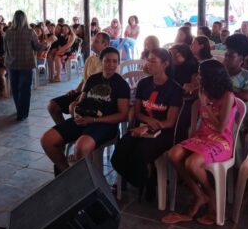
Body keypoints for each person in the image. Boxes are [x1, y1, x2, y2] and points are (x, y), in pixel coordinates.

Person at [163, 59, 238, 225]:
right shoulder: (205, 89)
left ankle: (211, 196)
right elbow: (187, 90)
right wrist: (189, 88)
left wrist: (206, 105)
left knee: (192, 163)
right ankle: (199, 195)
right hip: (202, 135)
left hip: (221, 140)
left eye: (201, 74)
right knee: (173, 154)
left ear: (211, 77)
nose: (198, 77)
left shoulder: (228, 96)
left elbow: (220, 128)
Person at [41, 47, 130, 175]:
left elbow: (123, 115)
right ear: (101, 61)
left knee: (81, 147)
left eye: (115, 61)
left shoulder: (121, 84)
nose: (111, 65)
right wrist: (75, 109)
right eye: (107, 61)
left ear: (118, 63)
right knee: (47, 140)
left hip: (105, 124)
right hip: (83, 120)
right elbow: (80, 102)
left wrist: (94, 120)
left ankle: (86, 182)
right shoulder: (93, 79)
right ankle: (67, 174)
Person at [111, 48, 182, 199]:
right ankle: (145, 179)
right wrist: (146, 124)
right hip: (142, 127)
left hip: (163, 133)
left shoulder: (174, 88)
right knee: (119, 153)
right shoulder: (143, 84)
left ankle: (146, 180)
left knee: (140, 154)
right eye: (148, 60)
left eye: (153, 61)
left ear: (165, 64)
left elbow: (170, 122)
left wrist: (150, 128)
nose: (148, 64)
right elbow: (137, 112)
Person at [48, 32, 110, 124]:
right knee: (52, 106)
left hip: (94, 95)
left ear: (105, 44)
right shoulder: (90, 59)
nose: (92, 43)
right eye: (93, 41)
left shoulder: (109, 61)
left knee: (73, 107)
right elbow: (84, 79)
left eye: (96, 41)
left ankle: (75, 132)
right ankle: (64, 131)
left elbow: (103, 86)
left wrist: (82, 96)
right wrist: (77, 90)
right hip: (82, 92)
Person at [4, 10, 47, 121]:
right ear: (25, 19)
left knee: (15, 89)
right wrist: (47, 43)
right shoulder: (30, 32)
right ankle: (22, 114)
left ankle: (19, 109)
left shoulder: (7, 32)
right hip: (26, 64)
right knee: (24, 90)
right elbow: (38, 47)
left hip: (12, 64)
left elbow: (5, 49)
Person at [223, 34, 248, 106]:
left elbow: (246, 96)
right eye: (226, 55)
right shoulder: (220, 72)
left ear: (242, 58)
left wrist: (221, 93)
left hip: (240, 112)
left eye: (230, 56)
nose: (226, 59)